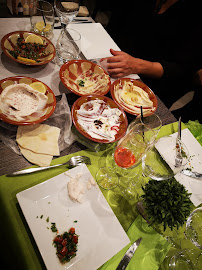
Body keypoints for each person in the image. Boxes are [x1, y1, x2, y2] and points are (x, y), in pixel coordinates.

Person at [102, 0, 202, 112]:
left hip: (153, 88)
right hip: (114, 65)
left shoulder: (196, 13)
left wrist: (135, 65)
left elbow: (182, 69)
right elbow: (115, 25)